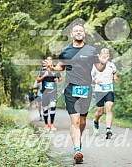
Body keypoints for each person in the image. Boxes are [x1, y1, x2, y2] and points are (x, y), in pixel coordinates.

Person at [43, 23, 108, 164]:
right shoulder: (65, 51)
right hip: (70, 89)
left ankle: (78, 139)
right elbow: (60, 67)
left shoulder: (91, 50)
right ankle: (77, 149)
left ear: (84, 34)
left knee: (82, 121)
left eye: (81, 31)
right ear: (72, 34)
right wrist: (51, 67)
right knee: (75, 121)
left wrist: (104, 62)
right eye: (76, 31)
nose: (78, 33)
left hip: (86, 89)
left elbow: (100, 68)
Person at [91, 48, 118, 139]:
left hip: (109, 89)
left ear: (108, 55)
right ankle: (95, 121)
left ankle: (108, 130)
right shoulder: (96, 65)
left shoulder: (111, 65)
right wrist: (96, 80)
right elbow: (91, 76)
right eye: (103, 52)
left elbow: (114, 72)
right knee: (100, 112)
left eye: (107, 53)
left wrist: (115, 77)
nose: (105, 54)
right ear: (100, 55)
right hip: (99, 90)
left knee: (109, 108)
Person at [37, 56, 61, 131]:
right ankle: (46, 124)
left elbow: (59, 78)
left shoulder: (55, 70)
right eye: (48, 60)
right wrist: (44, 76)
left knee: (53, 105)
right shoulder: (42, 70)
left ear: (52, 61)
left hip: (53, 92)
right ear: (46, 61)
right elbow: (38, 80)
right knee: (45, 108)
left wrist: (58, 79)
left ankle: (52, 124)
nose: (49, 61)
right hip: (45, 92)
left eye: (51, 60)